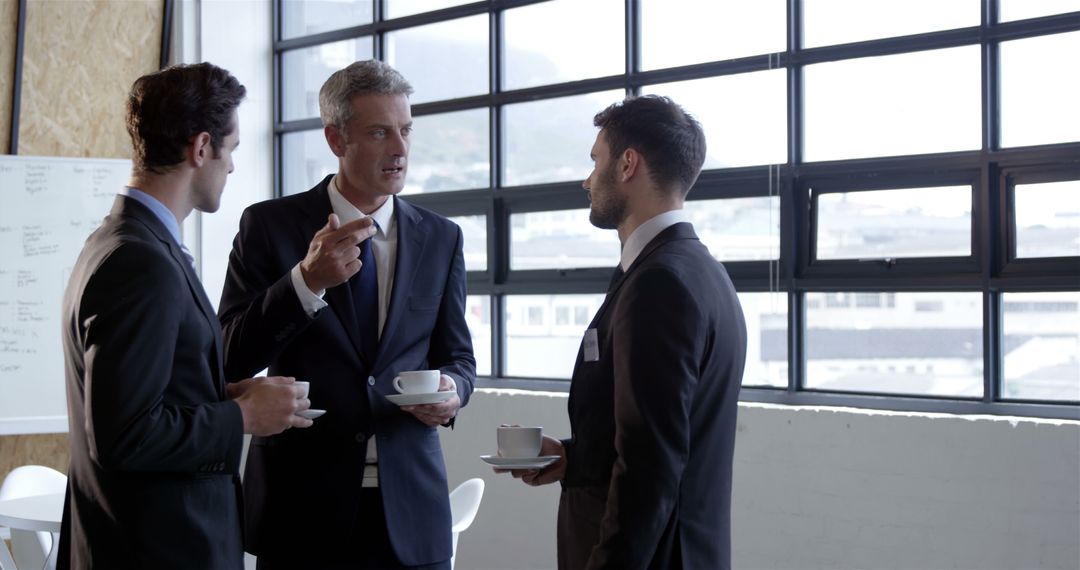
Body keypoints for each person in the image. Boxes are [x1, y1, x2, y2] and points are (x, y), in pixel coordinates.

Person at [217, 59, 475, 569]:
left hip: (411, 509)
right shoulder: (269, 227)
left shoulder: (441, 238)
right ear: (336, 139)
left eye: (405, 130)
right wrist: (306, 281)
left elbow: (459, 358)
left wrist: (452, 392)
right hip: (301, 508)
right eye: (380, 132)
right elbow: (229, 355)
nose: (400, 149)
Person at [59, 62, 313, 570]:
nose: (233, 167)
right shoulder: (140, 261)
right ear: (201, 148)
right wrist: (240, 416)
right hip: (158, 550)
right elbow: (124, 435)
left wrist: (224, 395)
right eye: (232, 149)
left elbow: (142, 397)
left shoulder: (120, 242)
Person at [499, 95, 747, 570]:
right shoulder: (701, 271)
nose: (587, 179)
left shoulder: (660, 283)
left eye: (596, 161)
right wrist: (577, 458)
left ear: (628, 164)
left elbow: (649, 470)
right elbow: (661, 434)